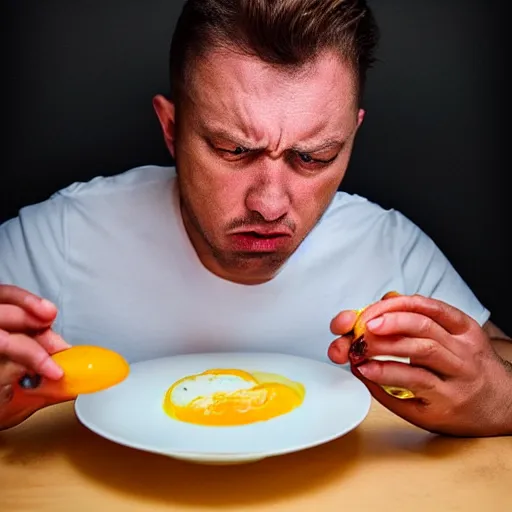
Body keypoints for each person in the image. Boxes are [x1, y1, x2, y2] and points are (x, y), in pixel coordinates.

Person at [0, 0, 510, 435]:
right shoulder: (61, 236)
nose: (269, 205)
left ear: (351, 138)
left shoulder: (388, 246)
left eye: (314, 157)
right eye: (233, 149)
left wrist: (496, 399)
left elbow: (497, 360)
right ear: (171, 127)